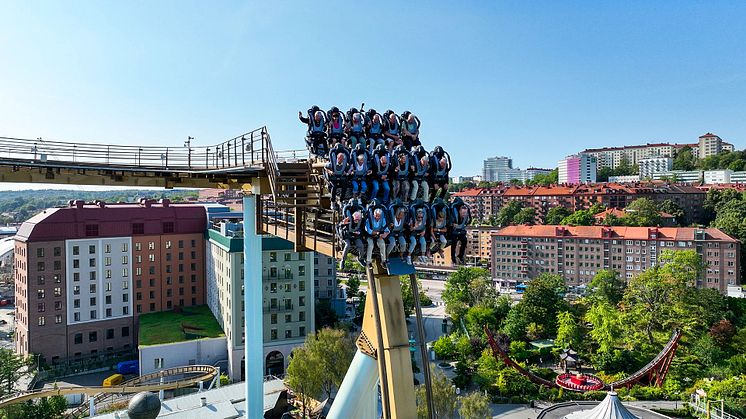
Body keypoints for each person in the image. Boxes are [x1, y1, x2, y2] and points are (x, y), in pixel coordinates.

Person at [365, 201, 390, 268]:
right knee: (370, 245)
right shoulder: (369, 220)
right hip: (370, 236)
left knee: (382, 244)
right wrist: (377, 233)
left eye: (379, 216)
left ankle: (383, 261)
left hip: (379, 236)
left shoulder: (382, 219)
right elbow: (368, 230)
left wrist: (385, 234)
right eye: (376, 216)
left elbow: (387, 229)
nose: (377, 217)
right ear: (373, 214)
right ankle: (368, 262)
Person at [325, 144, 350, 209]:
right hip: (334, 177)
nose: (341, 160)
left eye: (342, 159)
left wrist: (346, 172)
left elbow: (348, 169)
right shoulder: (331, 163)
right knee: (334, 187)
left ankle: (341, 200)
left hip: (341, 177)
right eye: (339, 159)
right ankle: (332, 202)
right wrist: (330, 171)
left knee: (345, 186)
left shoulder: (344, 164)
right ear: (337, 158)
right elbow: (325, 167)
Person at [450, 197, 471, 265]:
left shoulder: (465, 214)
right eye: (462, 213)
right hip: (454, 231)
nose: (463, 214)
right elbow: (450, 222)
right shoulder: (454, 213)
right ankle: (453, 257)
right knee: (454, 242)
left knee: (464, 240)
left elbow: (468, 221)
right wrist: (452, 224)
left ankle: (460, 255)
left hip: (461, 231)